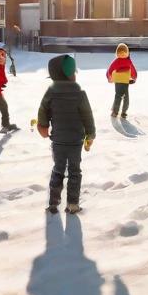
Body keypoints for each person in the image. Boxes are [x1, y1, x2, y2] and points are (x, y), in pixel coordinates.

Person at [36, 54, 96, 214]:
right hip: (76, 141)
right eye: (73, 72)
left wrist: (42, 125)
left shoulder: (51, 92)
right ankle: (73, 204)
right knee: (75, 171)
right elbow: (87, 115)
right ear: (68, 75)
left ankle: (53, 203)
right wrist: (90, 134)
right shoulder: (80, 94)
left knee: (58, 169)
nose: (75, 75)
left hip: (58, 141)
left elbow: (43, 110)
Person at [106, 42, 137, 119]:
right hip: (119, 81)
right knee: (120, 96)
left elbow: (132, 69)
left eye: (124, 52)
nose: (122, 53)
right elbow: (110, 69)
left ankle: (122, 112)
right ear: (117, 53)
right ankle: (117, 112)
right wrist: (109, 77)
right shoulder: (118, 61)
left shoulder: (127, 61)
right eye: (120, 52)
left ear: (127, 53)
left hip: (125, 81)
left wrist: (134, 76)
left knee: (122, 96)